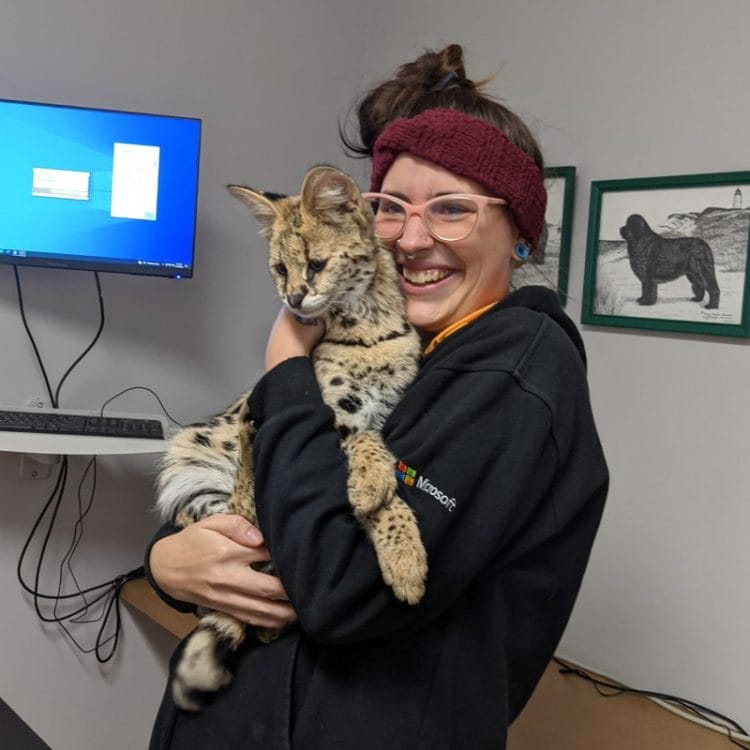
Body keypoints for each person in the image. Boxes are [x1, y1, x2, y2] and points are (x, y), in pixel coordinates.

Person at [146, 43, 608, 749]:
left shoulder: (517, 372)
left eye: (452, 209)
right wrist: (170, 563)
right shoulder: (396, 334)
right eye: (391, 208)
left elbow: (340, 589)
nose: (413, 240)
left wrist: (285, 375)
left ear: (518, 232)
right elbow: (263, 481)